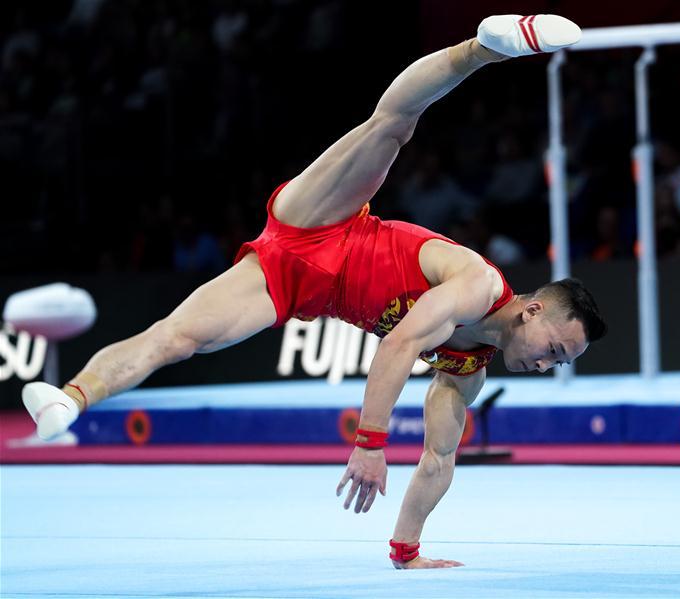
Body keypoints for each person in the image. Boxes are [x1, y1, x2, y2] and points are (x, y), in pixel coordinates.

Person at [22, 14, 605, 569]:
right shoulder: (476, 285)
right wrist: (370, 443)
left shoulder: (467, 371)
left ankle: (67, 400)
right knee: (391, 127)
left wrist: (407, 548)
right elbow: (399, 346)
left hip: (298, 285)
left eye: (560, 363)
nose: (547, 366)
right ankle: (485, 48)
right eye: (555, 350)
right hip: (330, 221)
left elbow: (438, 459)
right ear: (532, 310)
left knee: (177, 340)